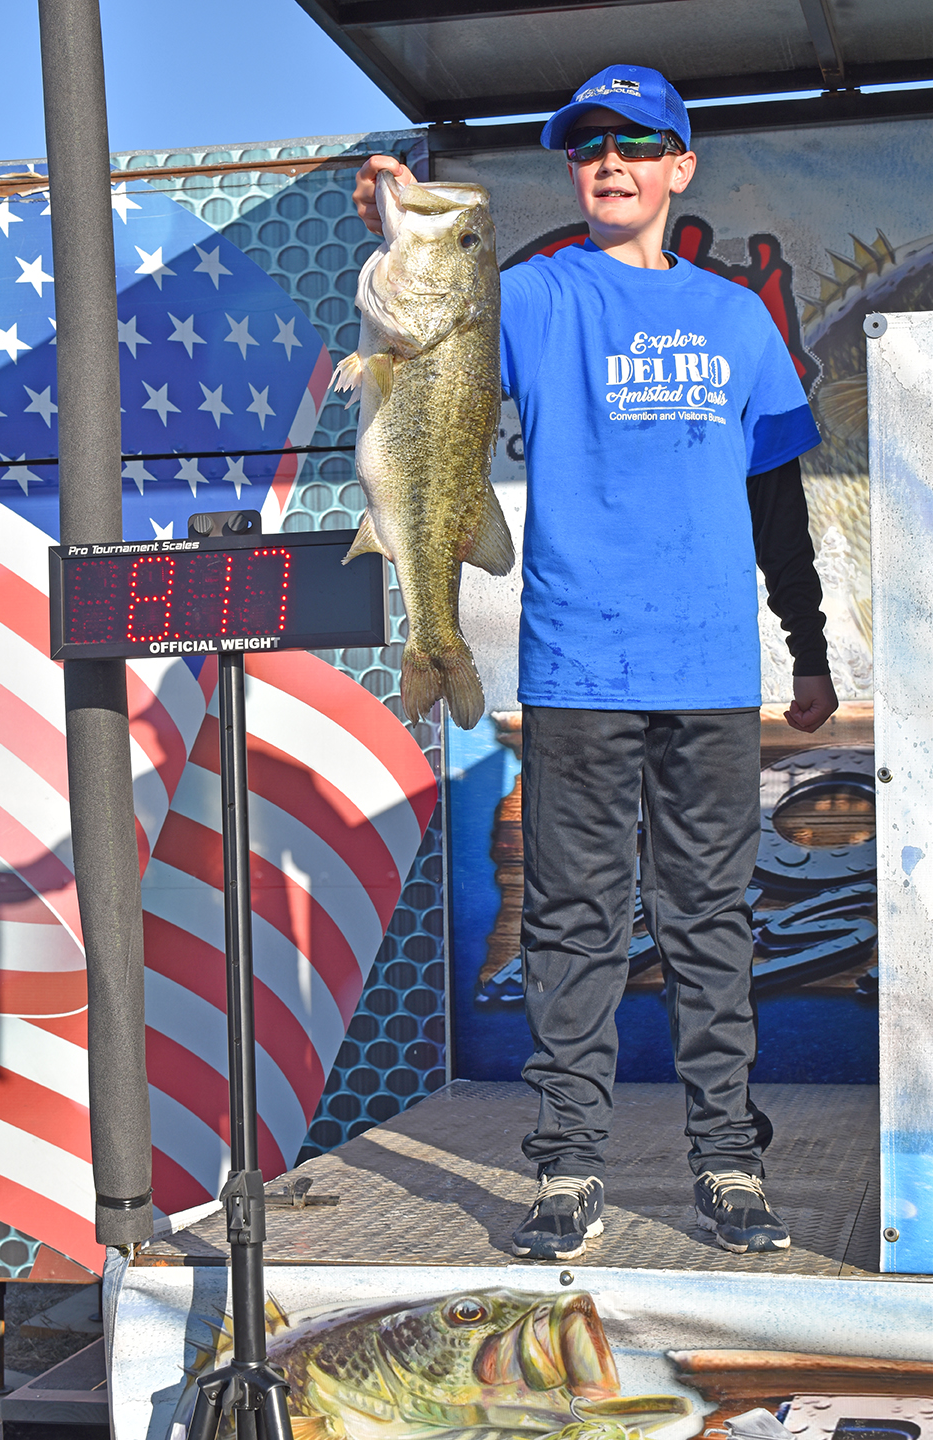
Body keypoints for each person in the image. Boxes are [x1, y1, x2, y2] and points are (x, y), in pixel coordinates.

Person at [353, 63, 838, 1262]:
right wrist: (392, 232)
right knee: (571, 925)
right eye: (586, 148)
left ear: (682, 166)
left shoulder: (739, 319)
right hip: (575, 668)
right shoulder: (530, 295)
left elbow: (779, 502)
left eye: (635, 143)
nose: (609, 162)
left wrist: (811, 649)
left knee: (710, 921)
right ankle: (568, 1168)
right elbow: (425, 344)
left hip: (712, 672)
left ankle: (727, 1160)